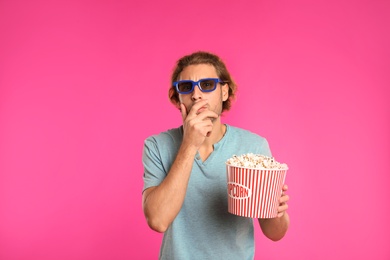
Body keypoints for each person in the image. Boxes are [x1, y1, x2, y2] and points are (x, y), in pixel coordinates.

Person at [142, 51, 290, 259]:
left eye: (207, 85)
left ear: (224, 92)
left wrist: (276, 211)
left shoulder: (253, 146)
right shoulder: (157, 146)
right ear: (179, 97)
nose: (196, 94)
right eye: (186, 87)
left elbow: (275, 233)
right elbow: (158, 220)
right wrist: (189, 145)